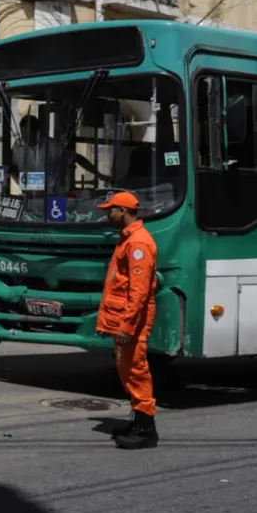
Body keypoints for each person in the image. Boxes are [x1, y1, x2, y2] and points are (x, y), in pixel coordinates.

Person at [96, 191, 159, 450]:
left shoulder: (138, 244)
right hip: (123, 319)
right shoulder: (128, 239)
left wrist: (127, 325)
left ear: (123, 212)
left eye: (110, 210)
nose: (107, 214)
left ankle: (146, 430)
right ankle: (138, 420)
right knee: (128, 372)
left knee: (136, 372)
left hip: (131, 322)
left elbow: (139, 291)